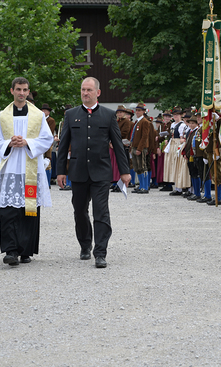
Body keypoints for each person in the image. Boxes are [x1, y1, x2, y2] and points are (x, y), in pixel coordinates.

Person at [56, 77, 131, 269]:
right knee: (80, 212)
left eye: (89, 90)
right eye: (82, 89)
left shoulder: (108, 115)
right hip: (78, 171)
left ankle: (100, 252)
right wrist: (60, 172)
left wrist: (124, 171)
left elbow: (118, 145)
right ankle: (84, 244)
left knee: (101, 211)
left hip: (101, 172)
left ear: (98, 92)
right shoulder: (71, 115)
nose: (85, 93)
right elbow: (63, 145)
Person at [0, 77, 53, 266]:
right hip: (10, 169)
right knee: (8, 210)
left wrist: (27, 142)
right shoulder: (2, 116)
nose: (21, 93)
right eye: (18, 89)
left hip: (30, 169)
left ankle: (26, 250)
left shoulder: (38, 116)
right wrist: (9, 143)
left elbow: (46, 139)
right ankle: (11, 250)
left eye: (25, 90)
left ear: (28, 91)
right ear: (11, 91)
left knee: (29, 211)